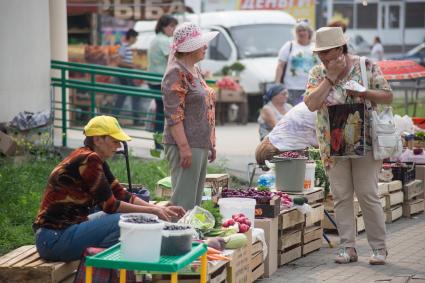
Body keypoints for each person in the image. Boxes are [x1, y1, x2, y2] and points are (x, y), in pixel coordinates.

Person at [33, 115, 185, 262]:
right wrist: (153, 211)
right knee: (122, 221)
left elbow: (121, 194)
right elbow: (110, 206)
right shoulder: (89, 160)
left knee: (127, 222)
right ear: (98, 139)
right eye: (114, 141)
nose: (118, 146)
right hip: (55, 239)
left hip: (57, 235)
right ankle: (108, 267)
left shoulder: (92, 157)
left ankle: (105, 265)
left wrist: (156, 209)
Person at [304, 27, 393, 265]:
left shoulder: (365, 65)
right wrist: (330, 77)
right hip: (332, 145)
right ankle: (347, 247)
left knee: (367, 194)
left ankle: (379, 248)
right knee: (341, 196)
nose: (324, 57)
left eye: (328, 52)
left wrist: (364, 92)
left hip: (364, 141)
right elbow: (311, 104)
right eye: (320, 53)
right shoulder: (317, 73)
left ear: (341, 48)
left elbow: (388, 95)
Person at [162, 22, 218, 210]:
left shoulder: (194, 70)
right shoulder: (176, 72)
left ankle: (190, 236)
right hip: (185, 144)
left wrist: (209, 142)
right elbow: (174, 115)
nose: (205, 46)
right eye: (201, 43)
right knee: (183, 202)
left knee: (194, 202)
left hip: (197, 143)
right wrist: (184, 148)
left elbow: (204, 108)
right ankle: (178, 236)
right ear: (189, 48)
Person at [147, 14, 178, 138]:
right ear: (163, 27)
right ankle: (160, 143)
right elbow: (172, 60)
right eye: (171, 26)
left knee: (161, 111)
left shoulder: (157, 38)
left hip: (154, 79)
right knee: (164, 112)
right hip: (160, 79)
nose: (173, 29)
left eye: (174, 26)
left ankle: (159, 144)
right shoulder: (163, 40)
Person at [275, 19, 318, 106]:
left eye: (304, 30)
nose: (301, 33)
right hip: (290, 88)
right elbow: (280, 65)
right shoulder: (289, 45)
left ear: (309, 32)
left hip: (311, 88)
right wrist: (277, 84)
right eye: (299, 30)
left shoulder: (316, 47)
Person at [114, 28, 141, 125]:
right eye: (136, 38)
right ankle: (136, 119)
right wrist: (133, 66)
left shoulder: (128, 47)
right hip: (124, 74)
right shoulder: (124, 47)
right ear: (132, 37)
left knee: (123, 95)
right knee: (134, 95)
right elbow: (119, 61)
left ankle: (115, 117)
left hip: (126, 74)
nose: (136, 40)